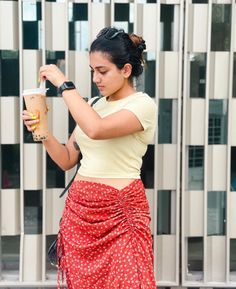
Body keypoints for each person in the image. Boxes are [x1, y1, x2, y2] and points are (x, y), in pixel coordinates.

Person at [22, 27, 157, 289]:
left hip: (120, 214)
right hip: (80, 214)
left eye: (103, 71)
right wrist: (43, 132)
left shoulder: (142, 105)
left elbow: (97, 130)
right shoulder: (93, 105)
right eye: (92, 70)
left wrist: (63, 84)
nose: (96, 78)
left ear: (126, 70)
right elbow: (67, 159)